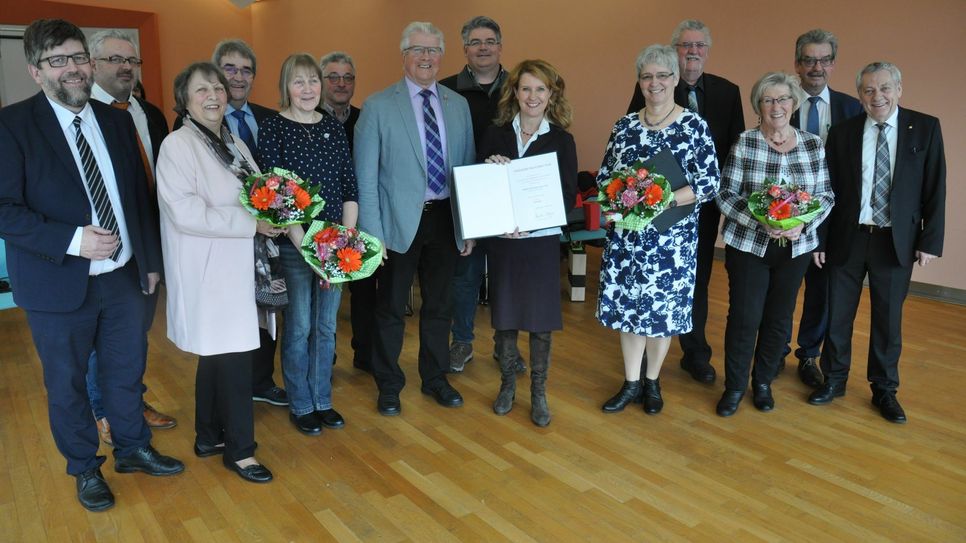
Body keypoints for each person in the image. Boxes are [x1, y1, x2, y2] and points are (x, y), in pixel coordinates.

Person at [0, 18, 183, 512]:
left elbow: (138, 198)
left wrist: (148, 259)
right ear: (36, 71)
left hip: (124, 276)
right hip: (56, 283)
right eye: (58, 60)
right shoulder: (11, 126)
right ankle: (83, 466)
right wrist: (73, 240)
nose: (74, 69)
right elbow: (4, 210)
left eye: (79, 57)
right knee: (68, 384)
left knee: (125, 372)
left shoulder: (117, 120)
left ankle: (132, 447)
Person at [156, 61, 278, 483]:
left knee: (217, 355)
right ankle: (241, 452)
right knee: (234, 360)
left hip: (237, 265)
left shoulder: (234, 142)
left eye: (218, 88)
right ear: (185, 101)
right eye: (201, 90)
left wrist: (277, 210)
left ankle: (208, 436)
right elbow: (186, 212)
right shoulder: (178, 145)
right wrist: (253, 224)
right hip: (209, 270)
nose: (213, 96)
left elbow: (258, 192)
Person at [809, 62, 946, 424]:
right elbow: (828, 191)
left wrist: (930, 241)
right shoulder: (843, 132)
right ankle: (834, 379)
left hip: (895, 241)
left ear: (899, 89)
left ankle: (884, 389)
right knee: (838, 314)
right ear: (859, 95)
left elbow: (935, 187)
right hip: (848, 237)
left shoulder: (925, 128)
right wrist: (820, 239)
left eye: (885, 88)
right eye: (868, 90)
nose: (877, 96)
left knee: (888, 320)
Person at [355, 21, 476, 417]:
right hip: (396, 224)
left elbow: (468, 169)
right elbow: (366, 177)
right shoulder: (377, 106)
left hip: (445, 218)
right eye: (418, 50)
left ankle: (435, 377)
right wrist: (372, 234)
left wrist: (469, 225)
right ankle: (389, 383)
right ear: (404, 55)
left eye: (433, 50)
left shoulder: (458, 105)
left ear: (442, 56)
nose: (427, 58)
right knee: (390, 308)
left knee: (440, 305)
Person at [598, 45, 719, 416]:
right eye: (647, 76)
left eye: (663, 75)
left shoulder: (693, 125)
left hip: (672, 241)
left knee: (661, 314)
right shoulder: (624, 126)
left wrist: (661, 200)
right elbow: (606, 178)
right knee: (629, 311)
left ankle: (653, 381)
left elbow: (710, 182)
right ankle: (631, 382)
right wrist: (614, 203)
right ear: (640, 81)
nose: (655, 83)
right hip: (627, 239)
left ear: (676, 79)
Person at [626, 20, 743, 385]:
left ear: (707, 51)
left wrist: (725, 206)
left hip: (701, 208)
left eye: (699, 46)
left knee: (695, 281)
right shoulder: (651, 89)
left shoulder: (727, 91)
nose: (692, 51)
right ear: (675, 51)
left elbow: (733, 151)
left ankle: (695, 353)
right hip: (648, 213)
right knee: (646, 284)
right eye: (685, 45)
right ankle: (643, 367)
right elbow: (633, 151)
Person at [715, 72, 835, 417]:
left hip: (795, 249)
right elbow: (724, 195)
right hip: (750, 246)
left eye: (783, 99)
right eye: (768, 100)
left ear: (794, 103)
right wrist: (759, 219)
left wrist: (802, 223)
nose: (776, 106)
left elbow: (826, 195)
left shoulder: (813, 144)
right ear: (759, 106)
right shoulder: (745, 142)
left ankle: (763, 382)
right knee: (744, 317)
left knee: (779, 319)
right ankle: (735, 386)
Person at [259, 53, 357, 435]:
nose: (307, 89)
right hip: (296, 245)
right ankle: (301, 404)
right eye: (298, 81)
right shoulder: (274, 128)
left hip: (335, 247)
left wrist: (342, 247)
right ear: (286, 86)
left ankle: (323, 400)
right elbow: (277, 196)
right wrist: (308, 249)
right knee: (299, 327)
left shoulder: (333, 128)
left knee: (327, 328)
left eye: (313, 81)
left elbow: (349, 189)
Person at [86, 28, 175, 445]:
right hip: (105, 245)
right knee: (102, 335)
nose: (125, 67)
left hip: (150, 239)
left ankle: (131, 400)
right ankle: (103, 409)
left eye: (132, 61)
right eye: (114, 60)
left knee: (135, 331)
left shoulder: (148, 113)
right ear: (92, 64)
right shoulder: (84, 115)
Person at [478, 59, 577, 426]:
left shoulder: (562, 140)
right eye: (525, 88)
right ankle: (507, 385)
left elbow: (567, 197)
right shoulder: (496, 134)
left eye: (540, 89)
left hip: (539, 244)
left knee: (540, 321)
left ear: (551, 95)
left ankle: (538, 391)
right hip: (503, 241)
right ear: (514, 92)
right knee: (504, 318)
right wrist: (492, 167)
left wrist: (531, 226)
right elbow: (480, 186)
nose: (532, 96)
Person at [783, 29, 863, 388]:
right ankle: (774, 350)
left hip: (832, 219)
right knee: (781, 289)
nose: (816, 67)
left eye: (824, 59)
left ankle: (808, 356)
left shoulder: (851, 108)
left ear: (833, 63)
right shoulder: (780, 102)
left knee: (822, 291)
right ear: (797, 64)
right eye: (809, 60)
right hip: (783, 216)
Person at [211, 39, 286, 408]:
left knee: (268, 304)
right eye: (229, 68)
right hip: (226, 236)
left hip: (269, 238)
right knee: (233, 315)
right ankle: (233, 387)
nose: (238, 77)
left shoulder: (270, 117)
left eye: (245, 70)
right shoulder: (201, 121)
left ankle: (262, 380)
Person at [440, 15, 514, 374]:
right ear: (465, 48)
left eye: (489, 41)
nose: (483, 48)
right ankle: (462, 342)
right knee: (465, 276)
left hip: (509, 198)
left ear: (500, 46)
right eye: (475, 42)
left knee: (505, 275)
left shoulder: (520, 87)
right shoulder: (446, 90)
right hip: (466, 198)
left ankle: (506, 344)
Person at [317, 51, 373, 374]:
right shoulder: (309, 119)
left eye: (348, 77)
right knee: (324, 294)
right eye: (333, 77)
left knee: (365, 292)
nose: (341, 83)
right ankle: (326, 356)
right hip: (322, 224)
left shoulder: (365, 120)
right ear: (322, 81)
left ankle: (365, 354)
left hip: (360, 220)